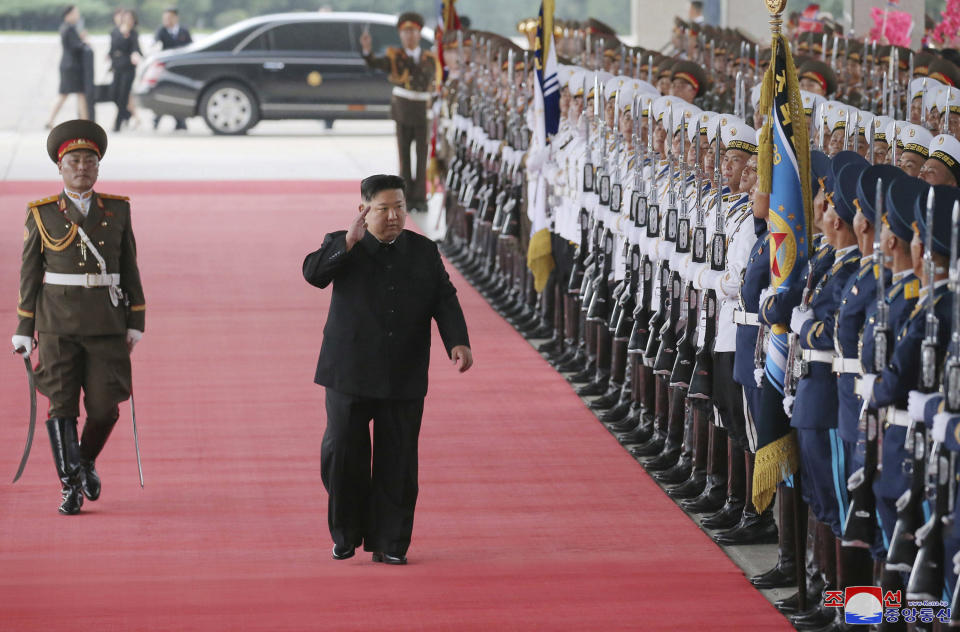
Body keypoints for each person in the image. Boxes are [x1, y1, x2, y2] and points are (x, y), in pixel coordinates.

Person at [302, 174, 472, 565]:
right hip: (349, 370)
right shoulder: (342, 243)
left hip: (403, 372)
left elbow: (444, 300)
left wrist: (457, 341)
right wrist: (347, 242)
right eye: (383, 209)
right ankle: (345, 534)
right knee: (342, 452)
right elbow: (313, 275)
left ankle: (391, 543)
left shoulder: (424, 250)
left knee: (398, 460)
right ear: (364, 210)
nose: (394, 216)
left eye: (400, 208)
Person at [12, 120, 146, 515]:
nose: (82, 167)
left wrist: (136, 317)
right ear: (60, 166)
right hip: (56, 324)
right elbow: (29, 273)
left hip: (107, 322)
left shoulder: (117, 210)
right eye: (74, 160)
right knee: (62, 404)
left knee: (106, 407)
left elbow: (129, 266)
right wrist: (24, 327)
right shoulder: (42, 214)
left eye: (90, 160)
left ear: (98, 167)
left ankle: (84, 460)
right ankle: (70, 484)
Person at [359, 12, 441, 212]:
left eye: (412, 31)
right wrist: (367, 51)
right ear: (400, 35)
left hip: (422, 111)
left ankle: (420, 198)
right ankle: (404, 199)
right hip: (403, 110)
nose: (409, 36)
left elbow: (436, 83)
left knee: (422, 157)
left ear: (419, 33)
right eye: (405, 32)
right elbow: (376, 64)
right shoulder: (394, 56)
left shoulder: (429, 58)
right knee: (404, 157)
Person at [46, 6, 89, 128]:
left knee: (72, 94)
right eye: (75, 13)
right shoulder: (68, 29)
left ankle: (84, 122)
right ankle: (85, 123)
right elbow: (75, 47)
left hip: (69, 65)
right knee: (70, 94)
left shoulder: (68, 28)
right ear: (68, 15)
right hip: (71, 67)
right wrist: (84, 40)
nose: (77, 16)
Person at [153, 8, 192, 130]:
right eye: (164, 18)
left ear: (175, 18)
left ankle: (181, 121)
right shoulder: (161, 31)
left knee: (179, 93)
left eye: (169, 18)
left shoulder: (184, 31)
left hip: (180, 68)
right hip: (165, 69)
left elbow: (191, 47)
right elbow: (155, 44)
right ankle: (157, 119)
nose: (166, 21)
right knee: (163, 92)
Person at [109, 9, 142, 132]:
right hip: (117, 67)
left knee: (123, 95)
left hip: (128, 68)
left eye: (131, 19)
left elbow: (136, 48)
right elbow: (112, 49)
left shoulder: (133, 33)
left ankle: (117, 124)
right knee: (114, 94)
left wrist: (136, 54)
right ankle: (127, 114)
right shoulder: (115, 31)